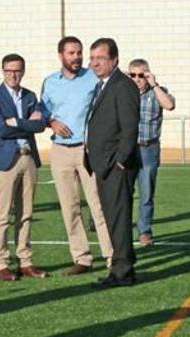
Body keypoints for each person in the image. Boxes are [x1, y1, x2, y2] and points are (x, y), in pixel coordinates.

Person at [40, 36, 114, 275]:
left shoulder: (93, 78)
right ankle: (82, 258)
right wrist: (51, 121)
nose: (77, 57)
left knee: (98, 205)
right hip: (60, 150)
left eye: (79, 53)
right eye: (72, 53)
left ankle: (112, 256)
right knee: (69, 207)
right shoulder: (50, 82)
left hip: (87, 149)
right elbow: (42, 111)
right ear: (61, 55)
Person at [0, 53, 48, 281]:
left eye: (17, 70)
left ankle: (25, 261)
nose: (13, 74)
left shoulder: (30, 95)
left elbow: (41, 125)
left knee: (26, 213)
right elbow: (1, 129)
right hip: (5, 161)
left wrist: (18, 123)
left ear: (23, 71)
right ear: (2, 71)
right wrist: (28, 124)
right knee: (2, 214)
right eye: (9, 70)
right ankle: (1, 262)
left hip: (28, 157)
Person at [85, 38, 141, 288]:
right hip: (103, 164)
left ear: (114, 60)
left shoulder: (123, 86)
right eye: (92, 58)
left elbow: (129, 128)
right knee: (112, 218)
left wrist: (120, 161)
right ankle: (121, 265)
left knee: (118, 218)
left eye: (100, 58)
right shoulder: (103, 85)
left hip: (116, 166)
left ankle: (122, 271)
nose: (94, 63)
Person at [127, 58, 175, 247]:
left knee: (146, 194)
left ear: (148, 75)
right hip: (128, 149)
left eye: (141, 75)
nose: (137, 79)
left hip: (148, 149)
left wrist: (154, 84)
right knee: (125, 193)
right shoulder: (123, 93)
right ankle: (123, 229)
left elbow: (169, 105)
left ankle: (144, 230)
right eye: (133, 75)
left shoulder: (157, 92)